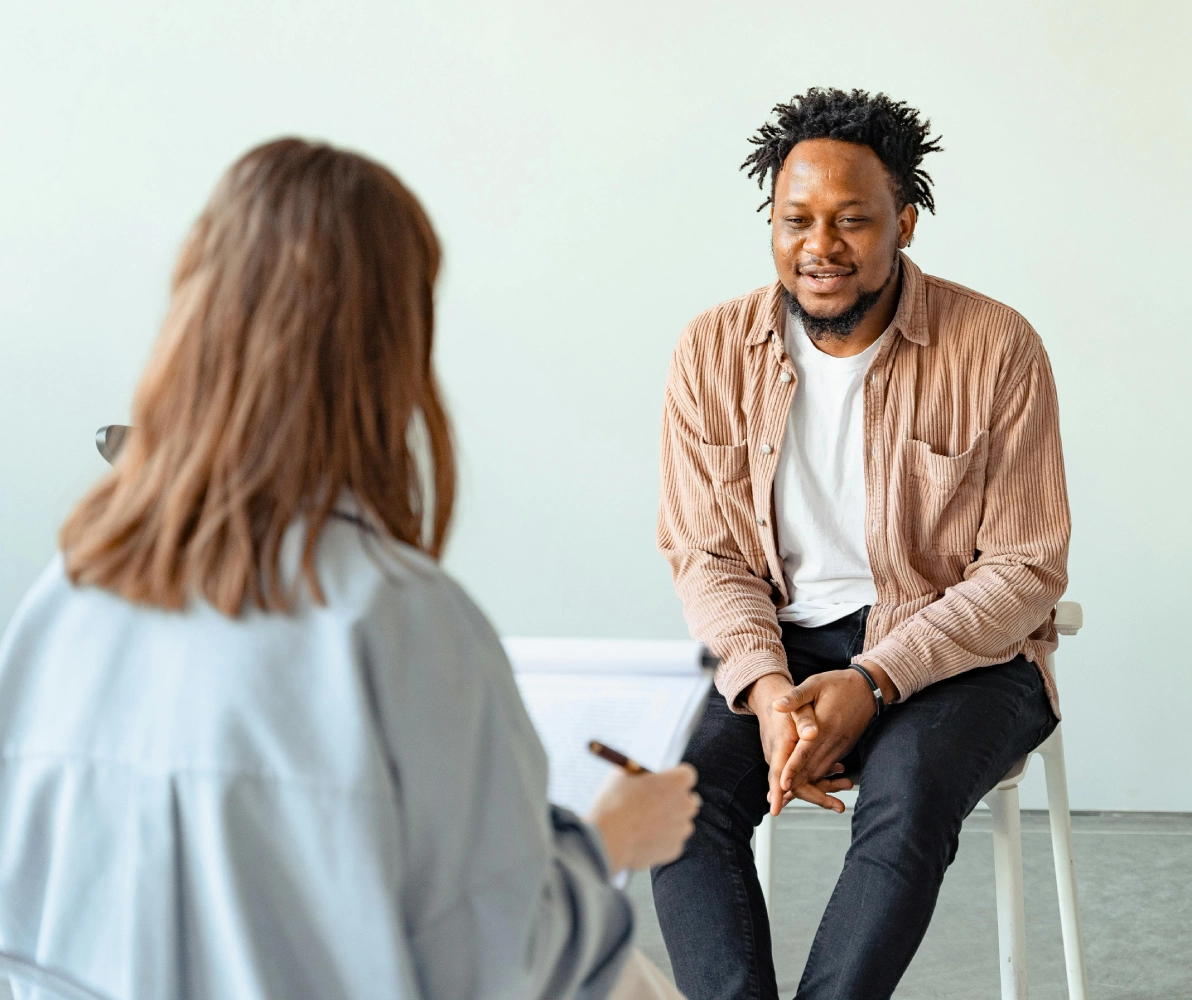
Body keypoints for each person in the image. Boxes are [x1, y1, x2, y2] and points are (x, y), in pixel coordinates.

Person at [0, 139, 700, 1000]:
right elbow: (497, 970)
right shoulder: (402, 622)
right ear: (393, 348)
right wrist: (603, 851)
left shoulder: (67, 599)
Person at [651, 88, 1069, 1000]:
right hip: (780, 645)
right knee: (677, 801)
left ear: (904, 223)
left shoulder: (996, 348)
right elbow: (705, 553)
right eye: (796, 219)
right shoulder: (711, 351)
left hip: (956, 654)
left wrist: (876, 680)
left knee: (906, 795)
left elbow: (1028, 565)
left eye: (852, 220)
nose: (821, 246)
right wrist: (765, 691)